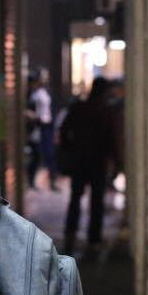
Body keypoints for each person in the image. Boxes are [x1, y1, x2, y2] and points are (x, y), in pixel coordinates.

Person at [59, 76, 120, 254]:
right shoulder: (106, 111)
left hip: (79, 159)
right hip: (98, 161)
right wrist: (117, 162)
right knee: (96, 200)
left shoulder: (79, 108)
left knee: (75, 198)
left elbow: (64, 131)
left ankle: (70, 233)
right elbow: (112, 139)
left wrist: (70, 149)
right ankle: (94, 238)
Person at [27, 68, 59, 190]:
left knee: (49, 154)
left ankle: (52, 181)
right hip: (39, 125)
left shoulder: (45, 92)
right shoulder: (34, 94)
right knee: (38, 155)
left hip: (47, 125)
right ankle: (32, 181)